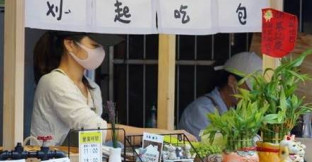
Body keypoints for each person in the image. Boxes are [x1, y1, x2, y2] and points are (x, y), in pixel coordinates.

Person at [30, 31, 190, 145]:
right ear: (70, 44)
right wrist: (166, 135)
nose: (100, 52)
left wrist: (165, 136)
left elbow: (98, 136)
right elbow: (97, 129)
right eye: (94, 45)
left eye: (101, 47)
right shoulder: (54, 82)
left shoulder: (92, 87)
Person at [178, 51, 263, 139]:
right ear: (232, 81)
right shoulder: (202, 111)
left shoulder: (233, 110)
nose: (254, 95)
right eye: (250, 88)